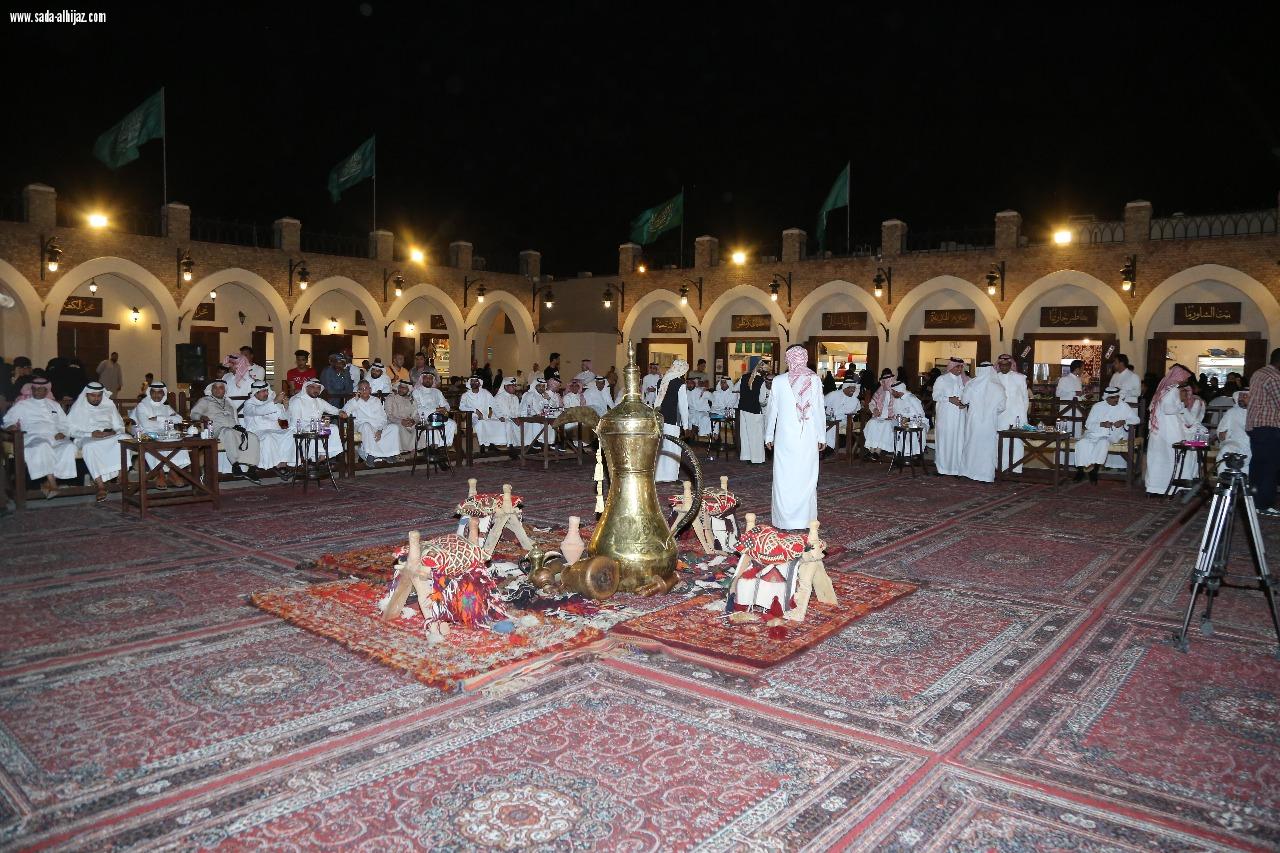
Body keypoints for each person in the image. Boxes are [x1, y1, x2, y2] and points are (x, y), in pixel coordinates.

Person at [764, 346, 826, 529]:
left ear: (787, 359)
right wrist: (821, 436)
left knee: (784, 477)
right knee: (805, 476)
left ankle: (784, 520)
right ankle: (804, 520)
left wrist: (768, 435)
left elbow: (771, 411)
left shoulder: (778, 381)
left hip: (784, 438)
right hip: (806, 436)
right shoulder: (813, 380)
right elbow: (818, 410)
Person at [3, 376, 76, 499]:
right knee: (43, 446)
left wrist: (63, 432)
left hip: (54, 437)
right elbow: (7, 421)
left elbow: (65, 423)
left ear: (46, 391)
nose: (37, 391)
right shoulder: (23, 405)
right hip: (32, 437)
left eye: (41, 389)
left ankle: (47, 483)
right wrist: (11, 427)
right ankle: (53, 484)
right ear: (31, 389)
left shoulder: (54, 405)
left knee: (68, 446)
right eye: (35, 389)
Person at [191, 377, 262, 482]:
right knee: (227, 432)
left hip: (232, 429)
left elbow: (235, 419)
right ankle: (235, 465)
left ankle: (252, 469)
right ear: (211, 389)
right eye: (215, 388)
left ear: (224, 390)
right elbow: (193, 414)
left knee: (252, 437)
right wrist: (201, 417)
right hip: (215, 430)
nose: (218, 390)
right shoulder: (205, 400)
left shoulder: (228, 402)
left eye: (221, 388)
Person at [66, 381, 127, 501]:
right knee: (90, 446)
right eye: (93, 396)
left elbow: (120, 426)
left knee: (126, 439)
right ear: (86, 395)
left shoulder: (109, 405)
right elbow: (69, 431)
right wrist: (90, 434)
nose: (96, 398)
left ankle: (122, 477)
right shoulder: (78, 408)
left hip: (108, 436)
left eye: (99, 395)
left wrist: (114, 432)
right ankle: (100, 486)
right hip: (86, 438)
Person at [130, 381, 192, 488]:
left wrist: (158, 418)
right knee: (153, 441)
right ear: (150, 392)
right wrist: (166, 422)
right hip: (146, 434)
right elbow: (146, 424)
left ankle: (172, 472)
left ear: (164, 394)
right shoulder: (142, 406)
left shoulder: (166, 407)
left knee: (176, 439)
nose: (156, 395)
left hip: (165, 434)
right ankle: (160, 474)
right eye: (154, 392)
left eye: (160, 392)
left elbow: (179, 419)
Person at [1144, 364, 1193, 495]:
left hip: (1163, 430)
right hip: (1168, 430)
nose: (1185, 381)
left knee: (1160, 457)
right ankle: (1169, 487)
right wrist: (1181, 405)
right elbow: (1168, 409)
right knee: (1171, 456)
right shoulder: (1172, 390)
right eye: (1184, 377)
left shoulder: (1165, 389)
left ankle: (1156, 487)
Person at [1074, 386, 1139, 482]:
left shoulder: (1123, 406)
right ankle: (1080, 471)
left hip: (1111, 436)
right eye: (1113, 398)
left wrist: (1124, 421)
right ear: (1106, 398)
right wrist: (1102, 424)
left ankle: (1094, 471)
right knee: (1081, 444)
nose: (1116, 399)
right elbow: (1088, 424)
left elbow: (1136, 419)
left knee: (1103, 443)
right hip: (1094, 433)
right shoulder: (1097, 406)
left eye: (1117, 397)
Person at [959, 362, 1006, 483]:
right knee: (987, 448)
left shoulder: (971, 384)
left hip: (973, 421)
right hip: (989, 422)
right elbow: (1002, 407)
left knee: (971, 445)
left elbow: (964, 401)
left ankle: (968, 472)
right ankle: (985, 475)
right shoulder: (998, 386)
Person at [1248, 349, 1280, 517]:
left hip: (1256, 427)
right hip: (1270, 427)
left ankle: (1253, 502)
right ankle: (1264, 504)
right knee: (1270, 467)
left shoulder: (1259, 373)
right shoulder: (1274, 378)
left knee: (1258, 466)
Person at [241, 381, 294, 480]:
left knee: (290, 433)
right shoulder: (249, 403)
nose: (266, 393)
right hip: (257, 432)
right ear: (255, 393)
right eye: (263, 391)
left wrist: (286, 407)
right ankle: (276, 465)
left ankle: (283, 464)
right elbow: (258, 411)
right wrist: (274, 402)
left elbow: (283, 417)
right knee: (269, 435)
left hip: (274, 430)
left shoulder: (270, 401)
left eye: (266, 391)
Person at [344, 380, 401, 465]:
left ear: (370, 389)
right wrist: (355, 399)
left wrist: (380, 430)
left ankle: (388, 454)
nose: (364, 390)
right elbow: (345, 412)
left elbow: (383, 418)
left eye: (366, 388)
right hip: (362, 427)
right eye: (361, 389)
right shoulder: (354, 401)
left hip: (377, 427)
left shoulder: (376, 400)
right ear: (358, 390)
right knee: (366, 426)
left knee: (394, 428)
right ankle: (371, 455)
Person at [288, 378, 348, 460]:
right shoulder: (298, 401)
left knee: (333, 428)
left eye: (318, 388)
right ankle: (313, 458)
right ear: (306, 388)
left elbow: (333, 409)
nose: (316, 390)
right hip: (303, 428)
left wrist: (340, 411)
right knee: (314, 429)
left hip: (317, 426)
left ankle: (324, 455)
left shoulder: (320, 401)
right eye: (313, 387)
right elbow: (295, 422)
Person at [865, 381, 926, 457]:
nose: (892, 393)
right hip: (900, 422)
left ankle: (908, 455)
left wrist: (908, 419)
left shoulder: (912, 399)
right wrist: (891, 417)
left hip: (915, 423)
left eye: (893, 391)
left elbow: (921, 415)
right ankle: (875, 450)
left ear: (898, 391)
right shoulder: (897, 399)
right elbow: (895, 413)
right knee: (884, 424)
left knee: (896, 428)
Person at [654, 359, 690, 482]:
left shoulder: (661, 381)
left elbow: (656, 401)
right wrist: (686, 426)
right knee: (672, 448)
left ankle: (658, 476)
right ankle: (670, 477)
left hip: (659, 419)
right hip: (673, 420)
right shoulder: (680, 384)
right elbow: (683, 406)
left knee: (660, 448)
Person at [932, 357, 969, 476]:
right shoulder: (942, 379)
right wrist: (949, 399)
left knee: (959, 441)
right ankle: (942, 468)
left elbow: (968, 395)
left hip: (960, 415)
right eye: (957, 366)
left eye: (961, 367)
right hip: (946, 416)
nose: (959, 369)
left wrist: (965, 404)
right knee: (945, 440)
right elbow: (935, 396)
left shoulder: (964, 380)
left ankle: (957, 469)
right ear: (951, 366)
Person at [995, 353, 1030, 472]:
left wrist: (1022, 414)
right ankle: (1000, 467)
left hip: (1016, 415)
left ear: (1011, 365)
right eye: (1002, 365)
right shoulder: (994, 378)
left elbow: (1025, 398)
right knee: (1000, 441)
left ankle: (1016, 468)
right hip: (1000, 416)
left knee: (1016, 441)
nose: (1004, 367)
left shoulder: (1020, 377)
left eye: (1006, 365)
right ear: (998, 365)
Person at [411, 373, 458, 451]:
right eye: (426, 378)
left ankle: (444, 447)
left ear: (433, 380)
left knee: (452, 423)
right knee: (434, 429)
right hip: (424, 418)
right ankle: (434, 450)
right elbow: (418, 408)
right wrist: (436, 410)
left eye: (430, 378)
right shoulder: (416, 392)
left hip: (438, 417)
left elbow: (445, 404)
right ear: (422, 379)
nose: (428, 380)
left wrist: (445, 409)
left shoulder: (437, 392)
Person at [460, 375, 505, 450]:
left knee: (498, 423)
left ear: (479, 383)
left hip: (485, 417)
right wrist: (475, 411)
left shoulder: (485, 393)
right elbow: (461, 407)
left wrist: (500, 415)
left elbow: (494, 404)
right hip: (471, 418)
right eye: (472, 381)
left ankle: (492, 444)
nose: (474, 383)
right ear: (470, 383)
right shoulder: (465, 395)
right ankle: (482, 446)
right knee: (480, 423)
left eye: (476, 381)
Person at [737, 362, 768, 463]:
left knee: (745, 434)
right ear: (764, 372)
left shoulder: (744, 377)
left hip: (743, 409)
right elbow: (761, 400)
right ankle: (757, 459)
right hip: (754, 410)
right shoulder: (761, 381)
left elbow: (735, 388)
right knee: (756, 435)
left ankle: (747, 456)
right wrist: (767, 400)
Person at [1216, 391, 1250, 474]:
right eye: (1240, 396)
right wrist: (1223, 435)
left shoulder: (1258, 413)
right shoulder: (1232, 412)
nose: (1241, 399)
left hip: (1252, 446)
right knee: (1226, 452)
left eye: (1244, 396)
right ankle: (1224, 482)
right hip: (1234, 444)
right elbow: (1221, 431)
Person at [823, 380, 861, 452]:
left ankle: (829, 448)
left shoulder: (855, 400)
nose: (853, 390)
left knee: (833, 427)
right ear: (845, 388)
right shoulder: (833, 394)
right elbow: (822, 404)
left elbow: (856, 411)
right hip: (829, 419)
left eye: (854, 388)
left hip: (844, 421)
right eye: (851, 388)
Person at [520, 376, 556, 448]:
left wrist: (548, 398)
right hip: (528, 417)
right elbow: (528, 408)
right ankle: (535, 441)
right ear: (535, 386)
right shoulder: (529, 394)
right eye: (539, 386)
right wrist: (536, 414)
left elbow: (552, 406)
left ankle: (548, 443)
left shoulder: (543, 395)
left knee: (551, 424)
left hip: (541, 417)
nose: (541, 388)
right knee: (537, 423)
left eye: (543, 386)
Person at [384, 378, 418, 452]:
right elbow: (389, 415)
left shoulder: (412, 400)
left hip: (409, 422)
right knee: (399, 427)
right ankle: (400, 451)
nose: (401, 390)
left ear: (408, 389)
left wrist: (413, 421)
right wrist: (401, 421)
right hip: (394, 422)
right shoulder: (391, 398)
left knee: (417, 427)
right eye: (400, 387)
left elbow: (416, 415)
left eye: (404, 388)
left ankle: (413, 450)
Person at [491, 376, 524, 448]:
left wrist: (518, 417)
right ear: (505, 387)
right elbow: (502, 413)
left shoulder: (515, 397)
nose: (514, 387)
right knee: (509, 424)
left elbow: (517, 411)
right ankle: (510, 446)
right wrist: (513, 418)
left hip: (511, 419)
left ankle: (523, 445)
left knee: (524, 423)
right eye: (512, 386)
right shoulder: (498, 397)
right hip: (499, 419)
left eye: (515, 386)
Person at [1056, 359, 1086, 437]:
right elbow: (1058, 393)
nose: (1083, 370)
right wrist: (1075, 393)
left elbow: (1079, 396)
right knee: (1065, 431)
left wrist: (1085, 395)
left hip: (1077, 410)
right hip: (1066, 410)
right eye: (1082, 368)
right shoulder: (1064, 379)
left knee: (1077, 432)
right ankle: (1063, 448)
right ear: (1077, 369)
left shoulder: (1079, 380)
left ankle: (1075, 449)